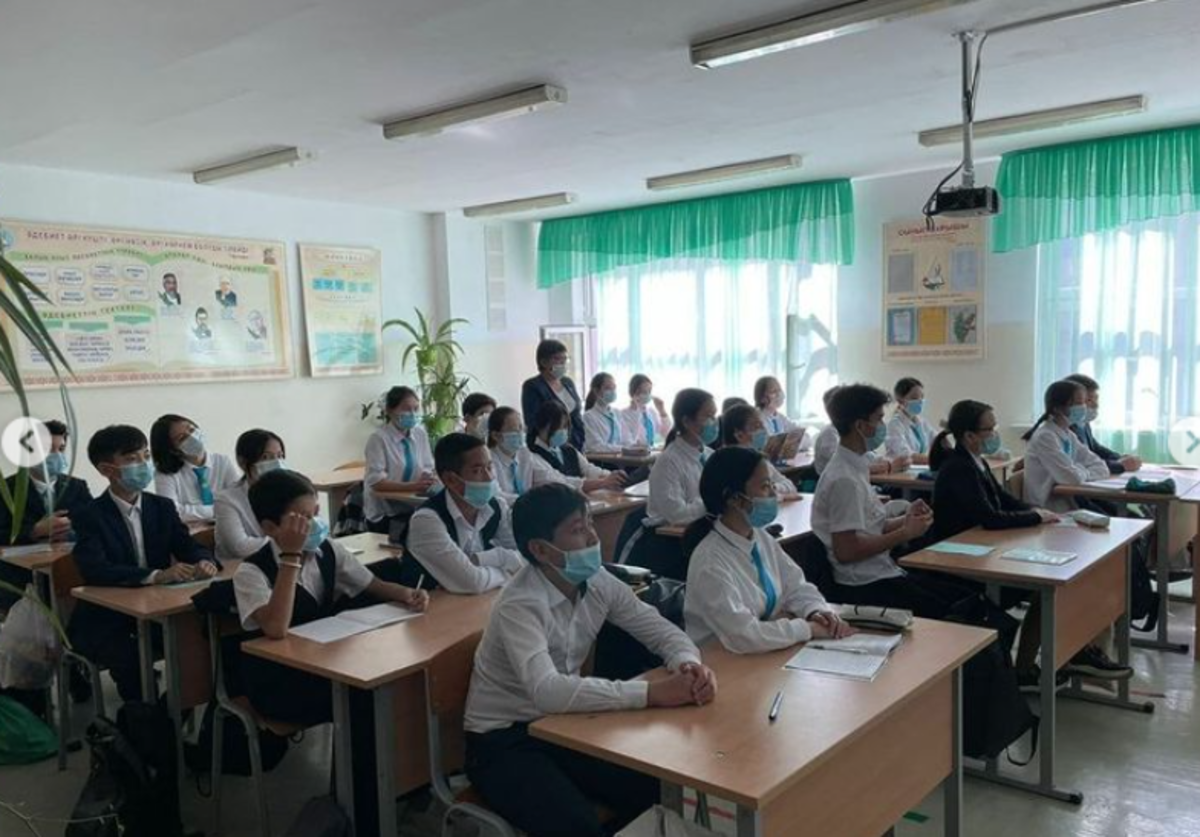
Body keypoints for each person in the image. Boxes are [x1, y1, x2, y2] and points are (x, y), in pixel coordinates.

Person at [463, 483, 717, 837]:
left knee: (655, 787)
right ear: (540, 549)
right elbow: (547, 691)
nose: (593, 538)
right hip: (503, 739)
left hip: (562, 724)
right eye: (578, 530)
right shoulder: (520, 604)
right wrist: (652, 693)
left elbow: (659, 629)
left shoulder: (597, 581)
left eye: (590, 524)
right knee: (576, 826)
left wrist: (688, 664)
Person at [929, 400, 1130, 682]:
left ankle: (1048, 660)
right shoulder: (958, 467)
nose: (995, 434)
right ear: (970, 435)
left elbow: (1003, 499)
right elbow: (990, 517)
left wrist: (1036, 512)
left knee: (1061, 582)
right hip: (963, 560)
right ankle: (1026, 669)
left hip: (985, 547)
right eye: (990, 429)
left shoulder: (975, 460)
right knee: (1047, 587)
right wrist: (1034, 517)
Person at [234, 470, 427, 725]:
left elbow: (372, 584)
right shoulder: (251, 572)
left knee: (384, 685)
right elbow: (276, 628)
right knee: (363, 697)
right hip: (279, 679)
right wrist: (291, 556)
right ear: (270, 527)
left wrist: (407, 594)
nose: (315, 523)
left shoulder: (327, 549)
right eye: (303, 518)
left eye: (315, 513)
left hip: (324, 660)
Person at [69, 425, 217, 701]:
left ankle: (177, 710)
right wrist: (155, 575)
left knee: (200, 641)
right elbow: (95, 569)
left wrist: (204, 560)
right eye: (131, 459)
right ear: (106, 469)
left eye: (146, 456)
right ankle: (141, 719)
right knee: (132, 662)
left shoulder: (161, 507)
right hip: (107, 618)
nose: (144, 464)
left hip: (157, 610)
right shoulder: (89, 514)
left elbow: (188, 546)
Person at [811, 384, 971, 618]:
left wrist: (907, 520)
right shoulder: (844, 479)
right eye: (878, 418)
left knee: (966, 598)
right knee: (958, 611)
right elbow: (847, 550)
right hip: (863, 585)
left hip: (881, 571)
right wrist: (905, 533)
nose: (882, 425)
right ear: (860, 426)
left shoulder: (856, 466)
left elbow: (870, 526)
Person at [684, 447, 852, 654]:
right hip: (721, 660)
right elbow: (744, 635)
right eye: (765, 487)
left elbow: (795, 585)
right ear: (734, 498)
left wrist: (815, 610)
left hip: (764, 651)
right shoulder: (710, 562)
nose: (774, 494)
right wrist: (806, 628)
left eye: (772, 485)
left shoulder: (760, 537)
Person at [403, 433, 525, 593]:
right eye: (477, 471)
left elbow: (526, 557)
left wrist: (492, 557)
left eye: (490, 467)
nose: (489, 478)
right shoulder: (426, 521)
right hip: (431, 605)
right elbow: (472, 582)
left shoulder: (496, 507)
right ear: (450, 479)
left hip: (479, 601)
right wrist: (508, 572)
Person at [0, 420, 92, 609]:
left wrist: (70, 531)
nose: (56, 456)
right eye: (48, 450)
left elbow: (94, 526)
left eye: (61, 449)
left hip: (69, 572)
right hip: (20, 580)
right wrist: (34, 531)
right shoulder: (6, 490)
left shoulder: (76, 487)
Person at [1021, 380, 1111, 513]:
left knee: (1109, 512)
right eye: (1078, 403)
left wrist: (1078, 470)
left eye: (1083, 402)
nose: (1083, 407)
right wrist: (1081, 470)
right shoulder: (1045, 437)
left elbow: (1102, 467)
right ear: (1057, 408)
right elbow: (1071, 479)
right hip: (1047, 508)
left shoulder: (1068, 434)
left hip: (1068, 502)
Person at [363, 386, 438, 532]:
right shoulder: (378, 439)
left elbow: (428, 466)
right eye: (406, 409)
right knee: (423, 531)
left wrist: (428, 478)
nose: (412, 414)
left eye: (415, 409)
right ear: (389, 411)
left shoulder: (420, 434)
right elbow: (376, 483)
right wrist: (413, 486)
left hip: (414, 506)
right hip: (385, 513)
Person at [647, 388, 718, 526]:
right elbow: (677, 515)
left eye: (714, 416)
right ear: (686, 421)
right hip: (671, 535)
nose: (714, 422)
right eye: (708, 416)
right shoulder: (668, 461)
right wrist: (715, 502)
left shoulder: (711, 455)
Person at [214, 428, 287, 562]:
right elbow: (240, 547)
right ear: (242, 462)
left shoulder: (291, 490)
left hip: (282, 561)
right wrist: (289, 541)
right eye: (266, 457)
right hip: (240, 567)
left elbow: (309, 531)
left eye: (280, 456)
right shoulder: (226, 500)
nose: (276, 462)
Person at [151, 414, 239, 523]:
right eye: (182, 438)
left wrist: (190, 511)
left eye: (192, 430)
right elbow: (171, 511)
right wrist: (218, 509)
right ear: (172, 450)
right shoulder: (166, 474)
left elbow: (238, 501)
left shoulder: (222, 461)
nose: (192, 437)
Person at [529, 402, 626, 493]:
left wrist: (612, 476)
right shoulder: (532, 456)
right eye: (560, 427)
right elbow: (562, 482)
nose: (564, 431)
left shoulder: (568, 450)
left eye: (566, 427)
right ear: (543, 427)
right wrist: (603, 483)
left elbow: (588, 469)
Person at [1063, 373, 1143, 476]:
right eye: (1089, 400)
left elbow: (1095, 449)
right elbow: (1081, 463)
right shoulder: (1064, 428)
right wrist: (1120, 465)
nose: (1096, 405)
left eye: (1096, 399)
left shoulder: (1082, 423)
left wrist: (1120, 458)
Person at [813, 386, 901, 476]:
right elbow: (845, 463)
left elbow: (866, 456)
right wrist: (887, 466)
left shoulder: (854, 447)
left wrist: (886, 461)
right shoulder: (829, 433)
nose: (882, 424)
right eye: (879, 418)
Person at [719, 404, 799, 498]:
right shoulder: (727, 462)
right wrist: (776, 493)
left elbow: (790, 486)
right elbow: (751, 498)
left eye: (762, 425)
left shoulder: (758, 458)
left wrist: (772, 487)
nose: (764, 430)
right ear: (739, 435)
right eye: (756, 426)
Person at [521, 339, 585, 450]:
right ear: (543, 362)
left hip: (574, 443)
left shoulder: (567, 382)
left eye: (565, 359)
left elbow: (576, 414)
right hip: (548, 445)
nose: (562, 363)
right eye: (557, 359)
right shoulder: (532, 386)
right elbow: (533, 422)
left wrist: (580, 440)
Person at [885, 377, 937, 464]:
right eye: (914, 397)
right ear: (900, 400)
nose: (920, 401)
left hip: (917, 468)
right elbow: (906, 455)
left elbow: (937, 440)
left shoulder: (922, 423)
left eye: (922, 397)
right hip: (900, 470)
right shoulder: (894, 425)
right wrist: (936, 460)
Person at [582, 372, 636, 453]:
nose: (612, 391)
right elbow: (596, 446)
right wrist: (622, 449)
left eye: (614, 388)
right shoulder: (588, 416)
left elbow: (627, 439)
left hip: (621, 458)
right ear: (596, 391)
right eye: (608, 388)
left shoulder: (617, 413)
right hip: (602, 459)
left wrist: (635, 448)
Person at [619, 374, 670, 450]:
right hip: (633, 454)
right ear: (633, 392)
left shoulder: (651, 412)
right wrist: (636, 411)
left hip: (649, 452)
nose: (647, 394)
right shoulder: (623, 414)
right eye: (643, 391)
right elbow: (627, 440)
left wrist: (662, 411)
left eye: (649, 391)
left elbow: (665, 433)